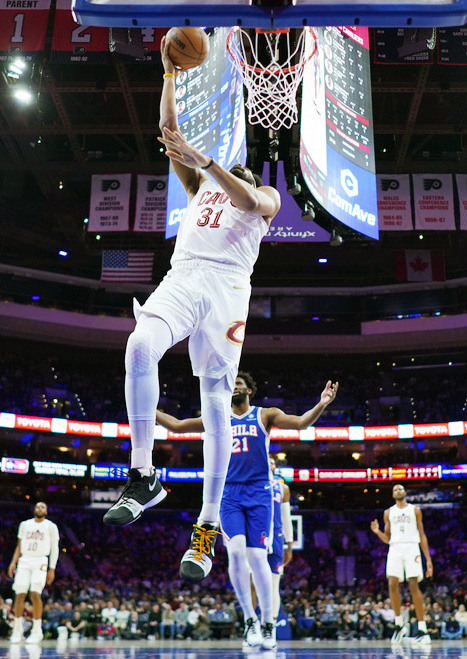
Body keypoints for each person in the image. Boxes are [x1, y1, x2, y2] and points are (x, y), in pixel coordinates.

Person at [103, 33, 281, 586]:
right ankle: (143, 474)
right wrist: (168, 74)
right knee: (138, 345)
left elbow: (250, 199)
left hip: (227, 291)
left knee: (215, 406)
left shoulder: (262, 199)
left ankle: (206, 527)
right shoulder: (201, 187)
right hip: (183, 276)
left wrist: (211, 164)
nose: (236, 171)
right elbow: (169, 134)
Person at [156, 372, 338, 649]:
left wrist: (322, 403)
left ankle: (268, 624)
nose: (234, 388)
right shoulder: (218, 417)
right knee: (237, 553)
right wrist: (147, 409)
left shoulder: (265, 415)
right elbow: (178, 426)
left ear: (250, 390)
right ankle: (250, 620)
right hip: (229, 494)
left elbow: (301, 423)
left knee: (257, 558)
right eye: (232, 385)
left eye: (239, 384)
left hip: (259, 494)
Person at [370, 484, 433, 648]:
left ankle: (422, 630)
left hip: (412, 546)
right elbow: (388, 539)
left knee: (413, 585)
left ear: (405, 493)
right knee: (392, 584)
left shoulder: (415, 510)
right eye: (395, 490)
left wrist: (429, 560)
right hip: (395, 548)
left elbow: (422, 534)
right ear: (392, 495)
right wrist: (377, 531)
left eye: (400, 489)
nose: (398, 491)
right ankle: (399, 625)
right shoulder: (388, 513)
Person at [7, 502, 59, 644]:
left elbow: (55, 548)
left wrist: (52, 568)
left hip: (40, 560)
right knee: (19, 594)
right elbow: (19, 546)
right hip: (24, 560)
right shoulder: (25, 524)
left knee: (35, 593)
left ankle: (37, 631)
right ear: (34, 510)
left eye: (42, 507)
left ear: (46, 511)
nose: (39, 509)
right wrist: (13, 562)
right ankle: (18, 630)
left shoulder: (51, 526)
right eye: (37, 507)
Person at [268, 455, 294, 626]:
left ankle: (272, 625)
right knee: (253, 584)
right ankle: (254, 624)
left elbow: (286, 518)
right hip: (255, 536)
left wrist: (289, 544)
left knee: (274, 584)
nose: (270, 464)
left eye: (273, 462)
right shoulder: (250, 483)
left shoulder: (282, 487)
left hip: (276, 537)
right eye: (267, 461)